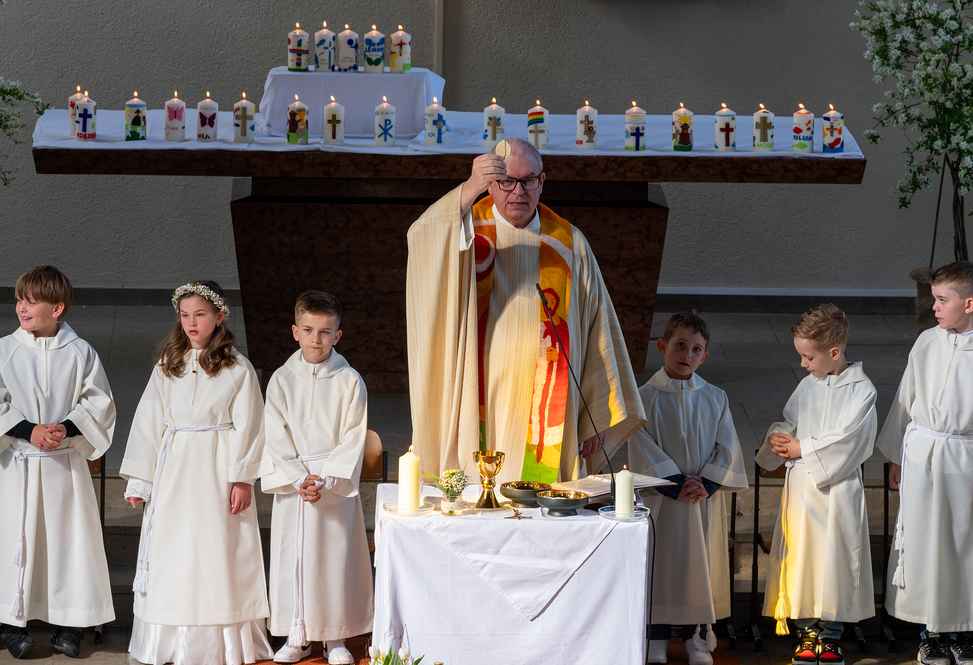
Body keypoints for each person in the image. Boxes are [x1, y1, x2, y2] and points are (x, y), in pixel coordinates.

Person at [406, 138, 644, 484]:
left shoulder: (569, 243)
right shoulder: (466, 229)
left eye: (528, 180)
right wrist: (470, 186)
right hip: (480, 393)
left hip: (548, 402)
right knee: (479, 489)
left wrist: (593, 415)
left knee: (542, 500)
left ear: (541, 182)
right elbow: (422, 238)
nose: (518, 191)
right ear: (491, 184)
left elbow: (598, 327)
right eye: (506, 181)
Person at [121, 281, 272, 665]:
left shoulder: (237, 368)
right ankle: (171, 642)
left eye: (200, 314)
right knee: (174, 551)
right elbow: (148, 421)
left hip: (216, 472)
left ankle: (220, 642)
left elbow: (251, 425)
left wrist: (242, 479)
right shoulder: (167, 365)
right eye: (185, 314)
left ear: (219, 316)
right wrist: (141, 480)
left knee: (217, 549)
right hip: (174, 471)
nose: (191, 322)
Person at [879, 261, 973, 665]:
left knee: (962, 545)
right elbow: (905, 397)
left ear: (969, 304)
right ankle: (930, 634)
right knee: (924, 542)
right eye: (934, 298)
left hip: (965, 459)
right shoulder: (927, 341)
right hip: (921, 455)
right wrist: (896, 456)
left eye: (942, 300)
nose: (933, 307)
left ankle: (962, 633)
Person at [0, 266, 116, 659]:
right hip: (17, 464)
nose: (22, 307)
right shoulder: (5, 350)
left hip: (64, 466)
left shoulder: (81, 353)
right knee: (15, 541)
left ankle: (72, 623)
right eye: (19, 300)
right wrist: (28, 430)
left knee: (70, 543)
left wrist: (65, 428)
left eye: (32, 302)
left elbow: (99, 404)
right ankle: (11, 625)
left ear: (57, 308)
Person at [758, 304, 877, 664]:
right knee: (802, 560)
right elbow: (789, 420)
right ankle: (807, 632)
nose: (803, 364)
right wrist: (779, 436)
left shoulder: (861, 390)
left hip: (837, 491)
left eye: (808, 357)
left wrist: (803, 448)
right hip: (801, 491)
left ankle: (832, 635)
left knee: (834, 561)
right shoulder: (808, 385)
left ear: (834, 352)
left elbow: (853, 441)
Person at [628, 312, 747, 665]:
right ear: (662, 346)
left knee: (699, 568)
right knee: (661, 567)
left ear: (704, 356)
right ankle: (656, 638)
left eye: (696, 349)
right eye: (680, 345)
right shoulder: (643, 398)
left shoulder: (716, 397)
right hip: (663, 500)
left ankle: (696, 637)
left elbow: (728, 446)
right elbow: (641, 444)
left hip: (701, 502)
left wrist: (706, 482)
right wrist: (674, 483)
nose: (687, 354)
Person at [262, 291, 373, 665]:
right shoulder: (281, 380)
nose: (316, 339)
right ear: (295, 331)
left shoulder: (350, 381)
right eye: (308, 330)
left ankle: (334, 636)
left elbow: (353, 436)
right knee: (294, 558)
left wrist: (325, 479)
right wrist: (298, 478)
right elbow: (274, 435)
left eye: (325, 332)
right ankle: (298, 636)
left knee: (332, 559)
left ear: (337, 335)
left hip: (331, 485)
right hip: (296, 487)